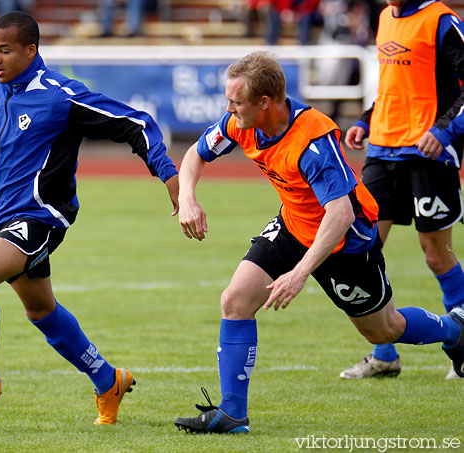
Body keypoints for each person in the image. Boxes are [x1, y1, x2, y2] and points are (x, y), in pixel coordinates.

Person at [0, 11, 179, 428]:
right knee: (41, 310)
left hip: (41, 217)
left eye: (4, 50)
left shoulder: (61, 95)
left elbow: (136, 123)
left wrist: (166, 171)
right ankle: (107, 379)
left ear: (31, 50)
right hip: (3, 218)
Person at [173, 51, 464, 435]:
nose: (229, 108)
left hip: (345, 242)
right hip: (293, 226)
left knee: (384, 330)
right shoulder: (240, 122)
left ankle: (454, 331)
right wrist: (188, 197)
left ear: (265, 102)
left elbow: (340, 215)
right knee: (235, 299)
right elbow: (195, 154)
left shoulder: (312, 140)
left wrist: (299, 273)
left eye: (236, 101)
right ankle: (232, 414)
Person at [342, 0, 464, 380]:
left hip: (428, 153)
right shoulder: (384, 17)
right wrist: (367, 119)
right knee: (362, 248)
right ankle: (384, 354)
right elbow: (393, 87)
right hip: (382, 150)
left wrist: (445, 130)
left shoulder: (442, 21)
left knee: (436, 255)